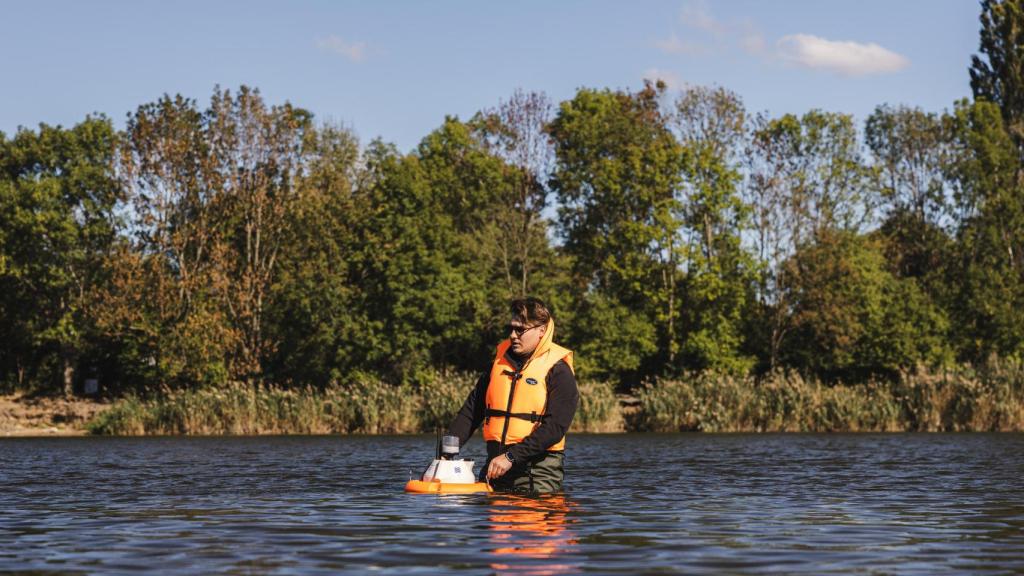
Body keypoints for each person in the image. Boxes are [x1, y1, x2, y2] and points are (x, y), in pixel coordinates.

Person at [446, 297, 579, 494]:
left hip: (537, 473)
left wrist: (510, 457)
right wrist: (445, 453)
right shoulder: (496, 365)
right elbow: (471, 412)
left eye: (520, 330)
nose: (513, 335)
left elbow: (555, 428)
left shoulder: (559, 371)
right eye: (511, 328)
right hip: (495, 469)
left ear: (541, 330)